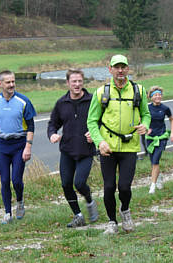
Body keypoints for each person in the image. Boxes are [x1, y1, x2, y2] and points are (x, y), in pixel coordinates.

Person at [87, 54, 151, 234]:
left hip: (129, 146)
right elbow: (92, 121)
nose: (120, 70)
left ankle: (125, 210)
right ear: (110, 69)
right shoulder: (101, 93)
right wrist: (99, 142)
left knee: (124, 186)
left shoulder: (138, 90)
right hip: (108, 147)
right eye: (117, 67)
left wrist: (145, 125)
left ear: (128, 69)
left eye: (123, 67)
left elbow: (146, 114)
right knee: (108, 187)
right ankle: (112, 222)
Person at [0, 70, 36, 224]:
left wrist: (28, 147)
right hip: (2, 145)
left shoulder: (24, 101)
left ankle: (20, 201)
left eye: (13, 81)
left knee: (16, 180)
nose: (11, 85)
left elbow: (31, 125)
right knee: (4, 180)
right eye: (8, 82)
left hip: (19, 144)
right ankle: (7, 213)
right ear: (0, 84)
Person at [47, 69, 99, 228]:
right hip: (67, 151)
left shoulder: (92, 101)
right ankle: (78, 216)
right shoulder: (62, 103)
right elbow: (52, 123)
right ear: (68, 83)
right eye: (73, 81)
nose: (77, 84)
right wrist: (52, 134)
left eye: (79, 81)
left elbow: (103, 121)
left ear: (83, 82)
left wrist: (95, 133)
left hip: (86, 150)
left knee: (80, 183)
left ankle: (90, 201)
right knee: (66, 184)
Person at [146, 86, 173, 194]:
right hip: (150, 138)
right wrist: (146, 128)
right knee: (152, 161)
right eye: (155, 95)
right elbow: (140, 119)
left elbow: (172, 119)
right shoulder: (147, 108)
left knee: (155, 161)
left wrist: (172, 133)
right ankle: (159, 177)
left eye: (159, 95)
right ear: (151, 97)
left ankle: (152, 186)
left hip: (161, 137)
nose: (158, 96)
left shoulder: (165, 108)